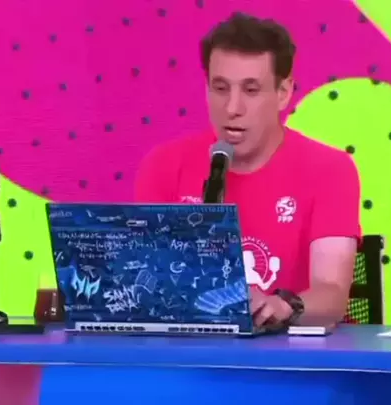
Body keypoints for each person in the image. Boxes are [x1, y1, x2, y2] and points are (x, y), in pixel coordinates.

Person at [134, 13, 361, 329]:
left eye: (251, 90)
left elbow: (332, 294)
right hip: (192, 350)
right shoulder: (163, 165)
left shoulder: (329, 169)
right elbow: (146, 280)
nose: (232, 108)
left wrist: (281, 306)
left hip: (291, 352)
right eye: (220, 88)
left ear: (283, 93)